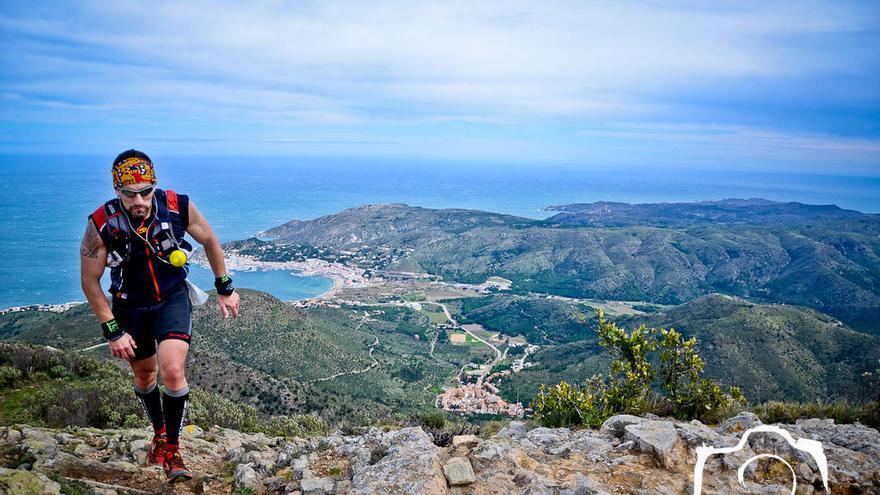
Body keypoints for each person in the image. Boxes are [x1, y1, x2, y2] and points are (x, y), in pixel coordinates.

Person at [80, 150, 240, 482]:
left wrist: (224, 286)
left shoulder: (176, 205)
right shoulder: (101, 223)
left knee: (172, 369)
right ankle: (159, 431)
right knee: (145, 375)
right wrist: (112, 330)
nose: (139, 200)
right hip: (129, 307)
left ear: (154, 185)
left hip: (171, 298)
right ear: (117, 190)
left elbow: (209, 239)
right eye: (129, 193)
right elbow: (89, 280)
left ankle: (172, 448)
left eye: (145, 191)